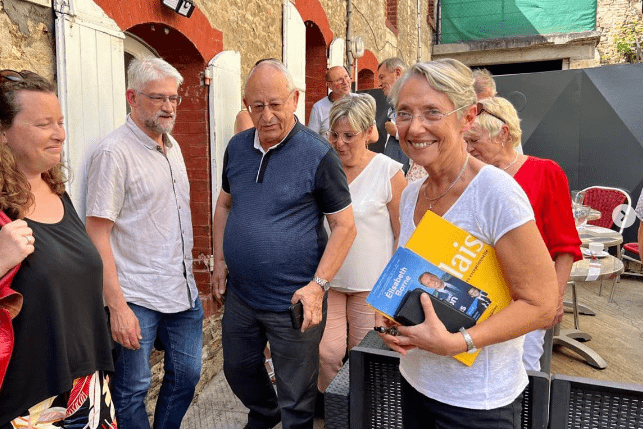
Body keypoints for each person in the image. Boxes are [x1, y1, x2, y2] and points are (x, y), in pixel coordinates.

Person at [377, 59, 558, 429]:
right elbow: (415, 278)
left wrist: (459, 343)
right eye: (404, 113)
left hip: (477, 403)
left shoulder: (495, 193)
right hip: (417, 382)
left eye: (432, 112)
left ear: (468, 116)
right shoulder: (412, 195)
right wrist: (392, 313)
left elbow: (541, 304)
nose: (415, 127)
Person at [212, 59, 356, 429]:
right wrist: (220, 261)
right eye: (257, 106)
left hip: (293, 303)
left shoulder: (319, 154)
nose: (267, 116)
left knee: (297, 396)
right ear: (246, 104)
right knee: (238, 368)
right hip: (242, 296)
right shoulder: (237, 148)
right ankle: (263, 413)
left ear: (294, 99)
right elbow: (225, 203)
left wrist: (317, 287)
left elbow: (344, 227)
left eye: (276, 104)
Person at [0, 70, 115, 428]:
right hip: (26, 404)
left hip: (86, 387)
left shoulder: (58, 192)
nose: (60, 134)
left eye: (60, 122)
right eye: (43, 124)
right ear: (0, 133)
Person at [86, 57, 203, 429]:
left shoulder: (174, 148)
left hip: (182, 292)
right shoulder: (113, 154)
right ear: (131, 97)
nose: (169, 106)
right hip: (136, 295)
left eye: (174, 98)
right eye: (158, 98)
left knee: (187, 376)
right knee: (132, 388)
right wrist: (117, 307)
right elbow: (97, 234)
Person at [464, 96, 583, 371]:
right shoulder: (470, 177)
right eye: (465, 141)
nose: (468, 149)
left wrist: (555, 298)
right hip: (476, 297)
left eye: (475, 141)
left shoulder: (545, 172)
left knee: (523, 374)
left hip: (526, 300)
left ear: (503, 133)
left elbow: (564, 245)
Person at [317, 93, 406, 407]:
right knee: (326, 353)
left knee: (363, 354)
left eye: (348, 135)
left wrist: (394, 291)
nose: (340, 143)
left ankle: (363, 412)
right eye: (334, 134)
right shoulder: (323, 168)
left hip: (372, 286)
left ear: (368, 132)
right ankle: (337, 409)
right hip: (329, 282)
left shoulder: (389, 171)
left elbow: (402, 233)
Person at [375, 58, 411, 175]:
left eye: (382, 77)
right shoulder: (394, 101)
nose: (379, 84)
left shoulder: (413, 99)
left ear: (398, 73)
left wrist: (396, 133)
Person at [307, 65, 352, 138]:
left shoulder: (361, 101)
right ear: (329, 85)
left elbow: (373, 136)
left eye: (346, 76)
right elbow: (311, 139)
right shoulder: (319, 108)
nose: (345, 82)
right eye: (339, 80)